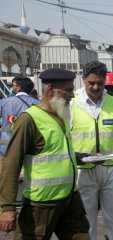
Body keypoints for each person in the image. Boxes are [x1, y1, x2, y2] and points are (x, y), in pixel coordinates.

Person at [0, 68, 90, 239]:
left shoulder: (61, 116)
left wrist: (85, 157)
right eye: (68, 90)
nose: (72, 96)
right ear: (50, 89)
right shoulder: (28, 120)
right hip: (40, 205)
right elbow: (11, 165)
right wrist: (7, 208)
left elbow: (59, 153)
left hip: (70, 199)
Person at [71, 61, 113, 240]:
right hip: (83, 171)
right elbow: (65, 139)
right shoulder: (73, 104)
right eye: (91, 82)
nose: (95, 87)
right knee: (85, 220)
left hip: (111, 170)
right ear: (83, 79)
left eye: (100, 83)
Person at [0, 76, 39, 175]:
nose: (12, 88)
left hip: (6, 148)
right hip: (30, 148)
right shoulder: (38, 104)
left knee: (6, 182)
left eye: (13, 85)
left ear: (18, 88)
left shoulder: (4, 102)